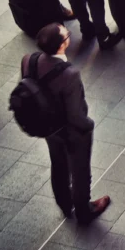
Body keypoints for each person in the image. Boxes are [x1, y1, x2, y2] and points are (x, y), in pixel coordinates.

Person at [27, 24, 112, 224]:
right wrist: (88, 125)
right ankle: (84, 210)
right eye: (67, 35)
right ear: (63, 45)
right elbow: (76, 115)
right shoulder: (69, 75)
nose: (69, 36)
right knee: (80, 171)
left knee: (58, 164)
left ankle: (65, 204)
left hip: (48, 128)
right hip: (72, 132)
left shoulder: (29, 61)